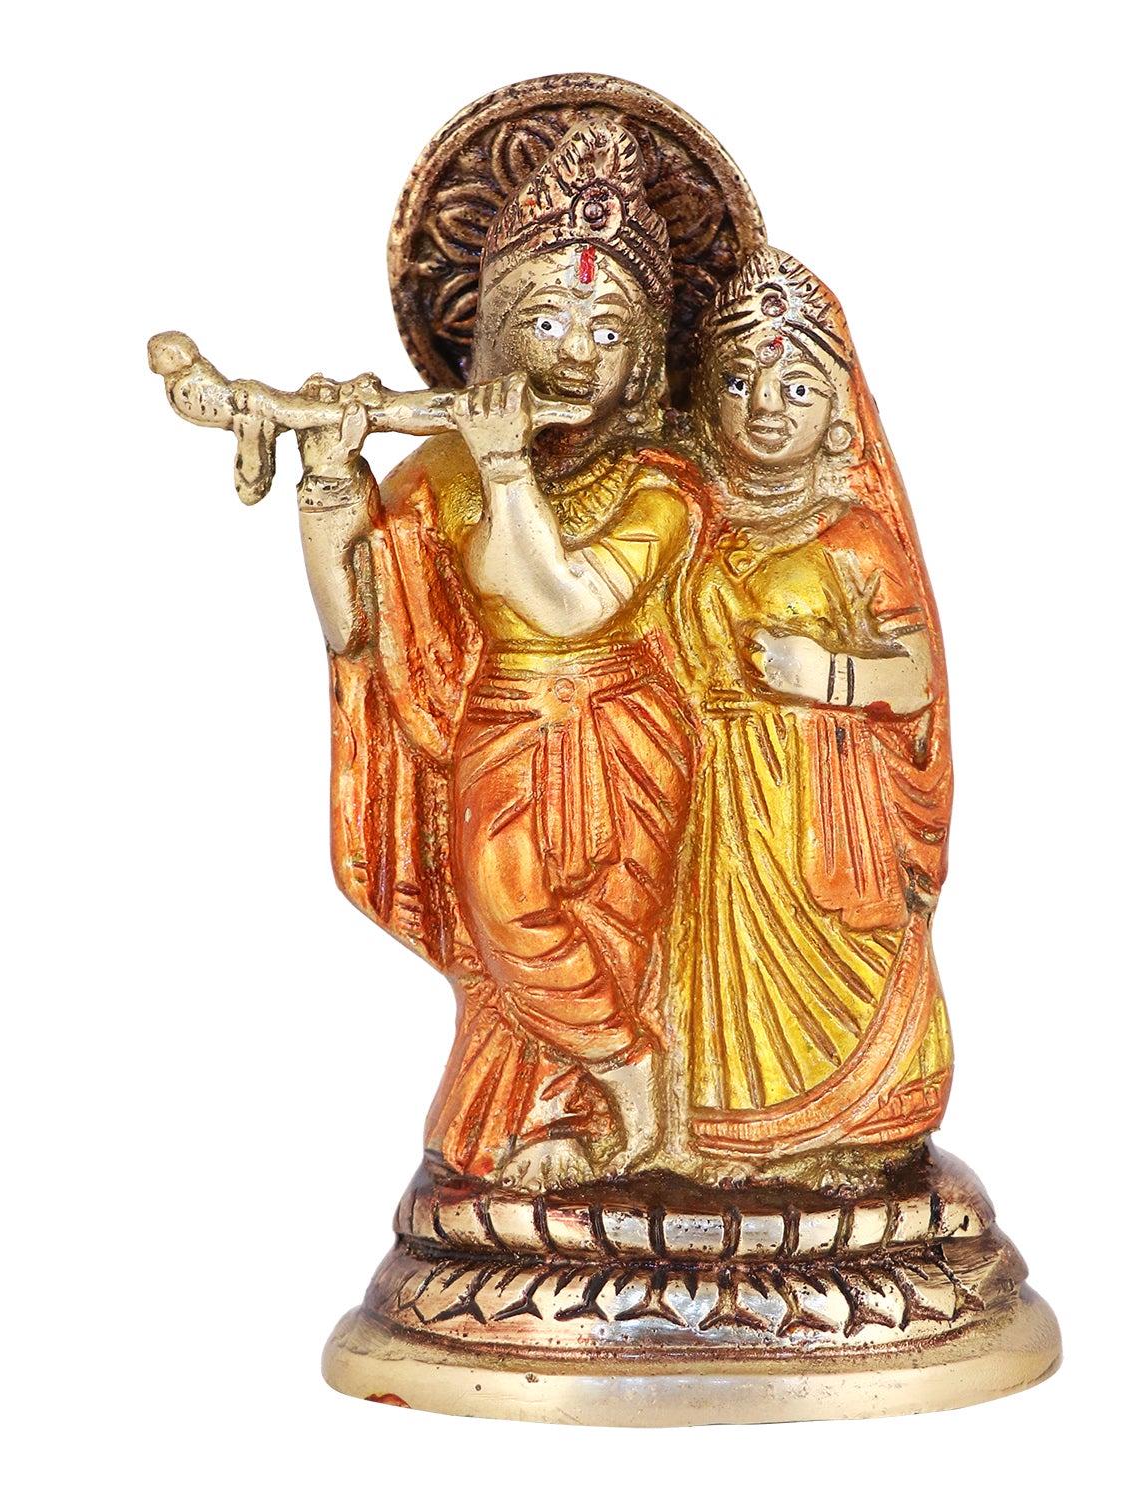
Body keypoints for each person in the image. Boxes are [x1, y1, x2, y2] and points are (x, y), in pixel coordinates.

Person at [295, 123, 703, 1190]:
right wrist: (330, 482)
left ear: (644, 356)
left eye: (609, 329)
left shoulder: (662, 482)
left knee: (608, 929)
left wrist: (511, 469)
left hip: (622, 735)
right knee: (507, 911)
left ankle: (615, 1114)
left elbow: (566, 604)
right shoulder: (443, 472)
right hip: (496, 729)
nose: (578, 351)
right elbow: (355, 627)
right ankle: (623, 1067)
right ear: (495, 335)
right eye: (549, 319)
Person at [665, 248, 954, 1180]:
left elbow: (915, 677)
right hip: (714, 802)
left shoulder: (854, 536)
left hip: (822, 803)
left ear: (838, 412)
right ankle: (726, 1134)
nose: (765, 406)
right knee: (722, 971)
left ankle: (857, 1120)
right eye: (739, 382)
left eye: (797, 386)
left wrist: (824, 673)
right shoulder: (681, 517)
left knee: (829, 957)